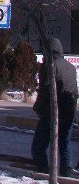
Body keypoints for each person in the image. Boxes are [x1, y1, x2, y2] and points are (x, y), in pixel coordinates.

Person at [31, 38, 78, 177]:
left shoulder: (49, 66)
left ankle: (44, 172)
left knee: (38, 148)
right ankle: (65, 174)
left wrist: (38, 108)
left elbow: (45, 92)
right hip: (68, 113)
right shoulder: (70, 67)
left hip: (52, 113)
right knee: (64, 145)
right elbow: (74, 92)